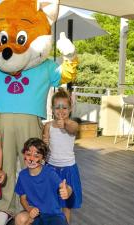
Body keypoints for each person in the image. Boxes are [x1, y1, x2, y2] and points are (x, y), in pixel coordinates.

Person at [42, 87, 82, 224]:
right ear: (52, 109)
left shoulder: (72, 124)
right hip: (51, 168)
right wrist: (44, 143)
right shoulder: (48, 126)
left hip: (68, 169)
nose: (61, 111)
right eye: (57, 107)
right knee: (52, 204)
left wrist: (65, 124)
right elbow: (44, 147)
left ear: (70, 109)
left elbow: (73, 129)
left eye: (64, 108)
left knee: (66, 206)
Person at [14, 138, 72, 225]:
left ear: (43, 158)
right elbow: (22, 199)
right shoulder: (22, 175)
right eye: (28, 154)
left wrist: (67, 191)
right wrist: (29, 209)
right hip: (36, 215)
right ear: (23, 155)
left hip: (53, 215)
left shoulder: (50, 173)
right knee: (20, 218)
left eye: (36, 156)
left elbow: (65, 186)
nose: (31, 159)